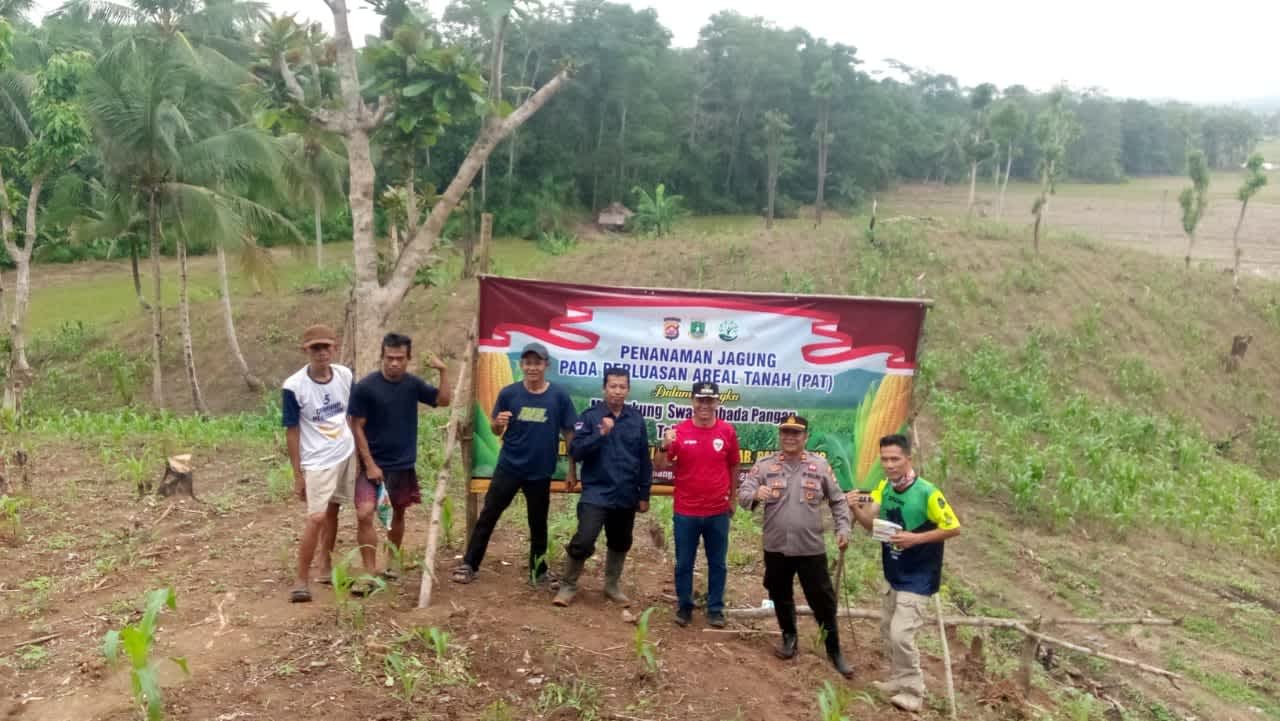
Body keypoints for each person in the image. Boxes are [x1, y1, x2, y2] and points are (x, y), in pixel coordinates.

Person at [848, 434, 961, 713]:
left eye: (895, 459)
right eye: (885, 459)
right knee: (888, 629)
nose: (889, 465)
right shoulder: (884, 487)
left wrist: (915, 539)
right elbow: (870, 523)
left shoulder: (927, 492)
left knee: (901, 634)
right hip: (894, 571)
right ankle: (897, 681)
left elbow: (954, 528)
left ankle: (914, 691)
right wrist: (854, 507)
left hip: (919, 576)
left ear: (908, 458)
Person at [738, 415, 855, 678]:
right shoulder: (765, 466)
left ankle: (834, 650)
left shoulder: (819, 465)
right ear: (780, 435)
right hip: (776, 545)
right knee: (780, 594)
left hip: (810, 547)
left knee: (823, 601)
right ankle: (789, 637)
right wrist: (756, 494)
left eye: (796, 433)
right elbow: (743, 495)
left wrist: (843, 529)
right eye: (785, 433)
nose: (790, 437)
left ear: (805, 437)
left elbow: (838, 501)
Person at [453, 342, 576, 585]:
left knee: (538, 523)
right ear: (522, 365)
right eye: (528, 363)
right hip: (509, 466)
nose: (532, 368)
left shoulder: (559, 396)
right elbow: (495, 429)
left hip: (540, 471)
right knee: (488, 515)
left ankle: (538, 572)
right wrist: (498, 422)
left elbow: (570, 433)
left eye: (537, 363)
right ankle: (469, 564)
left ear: (546, 365)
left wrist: (571, 469)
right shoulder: (509, 393)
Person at [349, 333, 451, 578]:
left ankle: (392, 562)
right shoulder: (365, 388)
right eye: (389, 358)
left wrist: (443, 371)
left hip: (403, 463)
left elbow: (443, 400)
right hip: (373, 465)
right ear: (382, 357)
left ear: (408, 359)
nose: (394, 363)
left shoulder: (412, 384)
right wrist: (370, 464)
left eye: (400, 358)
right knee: (364, 513)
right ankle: (370, 571)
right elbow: (356, 426)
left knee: (398, 511)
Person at [554, 367, 652, 607]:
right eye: (613, 386)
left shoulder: (636, 419)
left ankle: (611, 585)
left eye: (622, 387)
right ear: (604, 388)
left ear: (628, 390)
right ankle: (568, 584)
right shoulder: (589, 417)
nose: (617, 391)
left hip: (626, 493)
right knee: (585, 539)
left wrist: (644, 493)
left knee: (620, 541)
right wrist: (601, 434)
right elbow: (575, 451)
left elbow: (643, 459)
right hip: (596, 491)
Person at [655, 381, 740, 627]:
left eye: (709, 400)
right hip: (686, 511)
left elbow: (734, 464)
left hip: (717, 511)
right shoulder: (679, 432)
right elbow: (659, 465)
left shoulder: (727, 432)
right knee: (684, 562)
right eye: (700, 400)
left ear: (717, 402)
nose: (704, 405)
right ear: (692, 402)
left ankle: (715, 608)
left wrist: (732, 497)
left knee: (718, 563)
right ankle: (684, 606)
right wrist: (664, 444)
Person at [282, 324, 357, 603]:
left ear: (334, 347)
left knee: (334, 510)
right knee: (316, 517)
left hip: (345, 451)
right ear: (306, 350)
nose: (322, 352)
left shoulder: (345, 376)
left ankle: (325, 566)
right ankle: (301, 579)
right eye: (315, 348)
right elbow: (292, 431)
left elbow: (352, 414)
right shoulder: (294, 386)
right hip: (317, 460)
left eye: (326, 346)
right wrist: (298, 473)